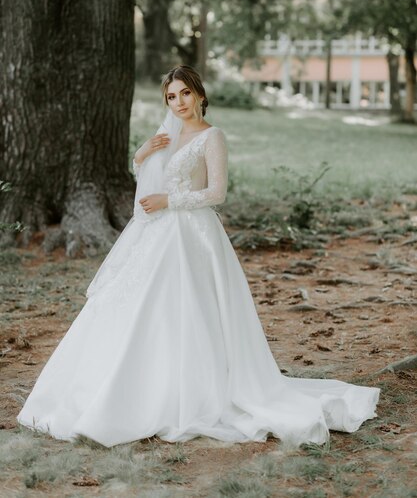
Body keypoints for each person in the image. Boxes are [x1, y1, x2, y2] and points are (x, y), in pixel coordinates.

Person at [16, 65, 380, 448]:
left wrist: (169, 201)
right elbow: (147, 179)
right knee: (141, 308)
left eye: (184, 94)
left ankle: (195, 390)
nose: (178, 103)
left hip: (193, 234)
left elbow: (216, 193)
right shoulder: (165, 135)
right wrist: (141, 155)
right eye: (171, 97)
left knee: (190, 308)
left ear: (200, 94)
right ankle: (131, 387)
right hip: (156, 235)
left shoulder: (212, 137)